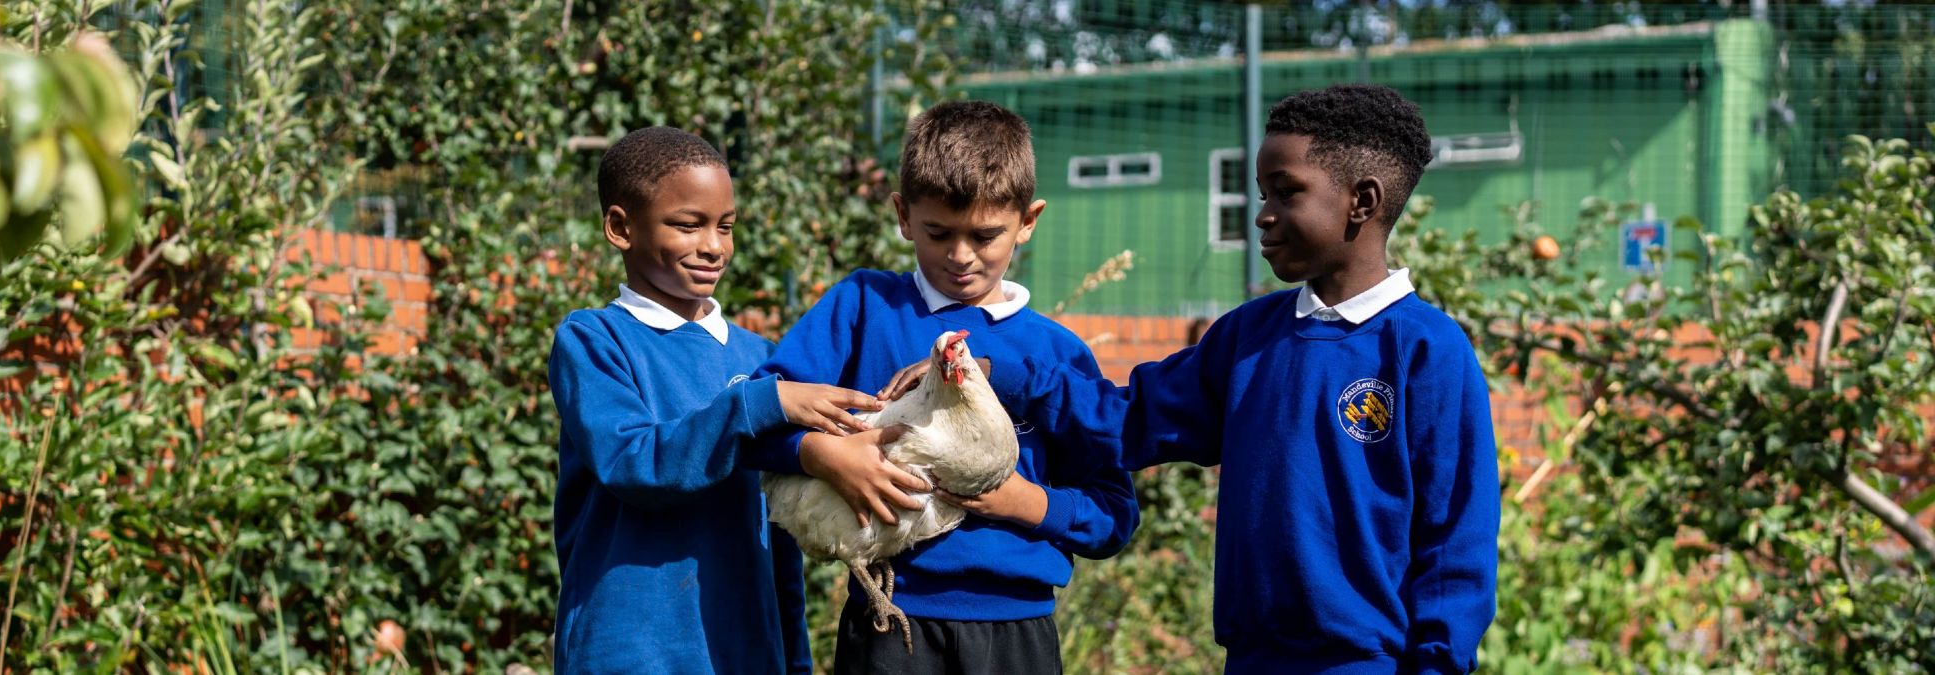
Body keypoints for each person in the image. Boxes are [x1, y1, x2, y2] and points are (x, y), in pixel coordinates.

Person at [904, 84, 1500, 673]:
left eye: (1286, 193)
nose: (1262, 214)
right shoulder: (1247, 337)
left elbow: (1456, 539)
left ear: (1362, 202)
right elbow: (1129, 420)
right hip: (1250, 660)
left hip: (1369, 664)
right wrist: (996, 375)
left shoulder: (1426, 349)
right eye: (1261, 192)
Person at [752, 101, 1140, 674]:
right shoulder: (863, 308)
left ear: (1028, 221)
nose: (961, 256)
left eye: (986, 235)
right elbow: (760, 415)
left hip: (1017, 631)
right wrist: (823, 454)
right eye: (938, 232)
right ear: (903, 216)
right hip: (888, 618)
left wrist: (1023, 501)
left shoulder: (1055, 354)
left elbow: (1113, 515)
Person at [548, 126, 883, 674]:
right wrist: (756, 406)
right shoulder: (592, 340)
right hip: (629, 653)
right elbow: (634, 464)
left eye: (725, 227)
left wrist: (794, 659)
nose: (713, 246)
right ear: (619, 227)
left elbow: (781, 529)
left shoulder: (763, 361)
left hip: (744, 653)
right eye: (688, 224)